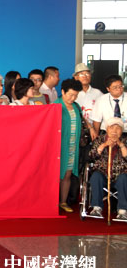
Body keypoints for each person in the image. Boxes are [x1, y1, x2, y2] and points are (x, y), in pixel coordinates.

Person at [88, 117, 127, 220]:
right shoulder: (99, 139)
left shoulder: (125, 140)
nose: (114, 130)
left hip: (120, 175)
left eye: (117, 128)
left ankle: (123, 211)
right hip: (103, 174)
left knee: (124, 178)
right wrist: (104, 145)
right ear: (106, 129)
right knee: (96, 176)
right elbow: (92, 156)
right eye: (111, 127)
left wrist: (121, 145)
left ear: (122, 130)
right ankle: (96, 208)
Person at [55, 78, 83, 213]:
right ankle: (51, 201)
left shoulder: (76, 107)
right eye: (70, 95)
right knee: (55, 176)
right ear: (63, 92)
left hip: (72, 147)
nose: (73, 98)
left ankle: (63, 201)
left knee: (67, 175)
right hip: (58, 147)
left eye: (75, 95)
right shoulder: (55, 106)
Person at [91, 74, 127, 139]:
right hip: (106, 134)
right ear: (108, 89)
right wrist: (96, 136)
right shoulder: (101, 100)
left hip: (125, 133)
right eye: (115, 87)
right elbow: (97, 120)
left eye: (121, 86)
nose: (119, 89)